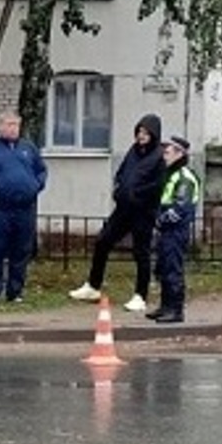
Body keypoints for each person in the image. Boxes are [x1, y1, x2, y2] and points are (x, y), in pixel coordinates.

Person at [68, 114, 165, 312]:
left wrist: (137, 195)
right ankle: (93, 286)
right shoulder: (133, 151)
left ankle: (140, 295)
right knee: (103, 241)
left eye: (145, 133)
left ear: (153, 134)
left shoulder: (158, 157)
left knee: (141, 252)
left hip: (143, 212)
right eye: (139, 131)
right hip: (123, 208)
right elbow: (122, 172)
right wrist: (119, 189)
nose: (141, 136)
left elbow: (157, 186)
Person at [0, 112, 48, 303]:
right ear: (1, 127)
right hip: (0, 208)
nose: (13, 128)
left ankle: (15, 291)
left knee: (21, 250)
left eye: (16, 125)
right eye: (9, 124)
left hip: (25, 208)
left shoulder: (29, 148)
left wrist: (36, 186)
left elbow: (42, 170)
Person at [147, 135, 199, 323]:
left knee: (173, 269)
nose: (164, 156)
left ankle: (175, 311)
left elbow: (180, 208)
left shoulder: (184, 177)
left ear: (179, 153)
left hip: (175, 231)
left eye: (167, 152)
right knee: (163, 267)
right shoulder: (171, 175)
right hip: (167, 230)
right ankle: (165, 306)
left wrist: (160, 221)